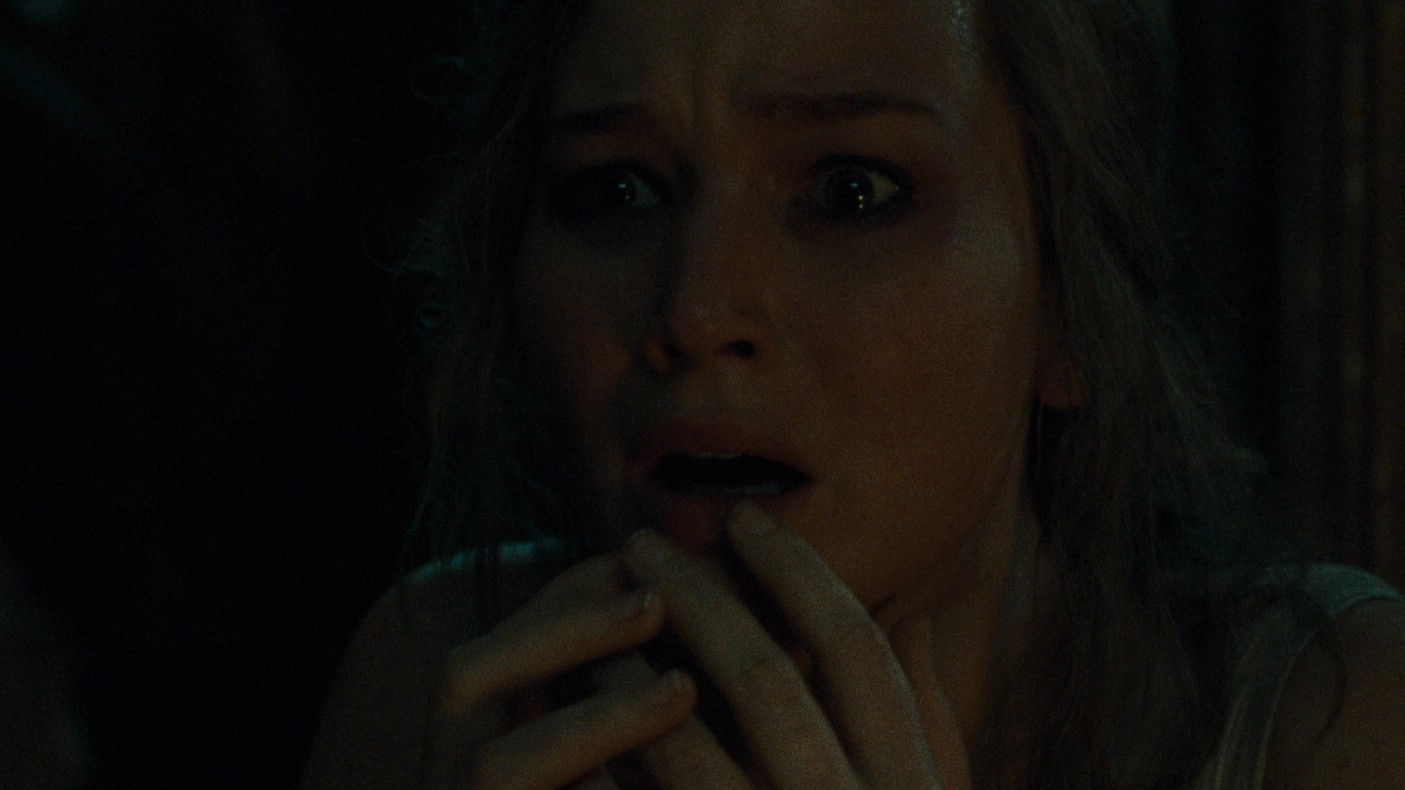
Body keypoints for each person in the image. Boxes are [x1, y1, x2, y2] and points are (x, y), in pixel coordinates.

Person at [303, 0, 1405, 786]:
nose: (696, 309)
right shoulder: (442, 683)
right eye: (617, 190)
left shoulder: (1340, 719)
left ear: (1069, 301)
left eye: (851, 191)